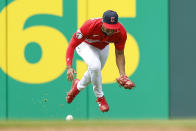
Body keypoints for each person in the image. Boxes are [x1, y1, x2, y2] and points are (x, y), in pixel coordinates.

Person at [66, 10, 135, 112]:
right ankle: (100, 97)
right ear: (102, 22)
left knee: (94, 72)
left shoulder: (120, 32)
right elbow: (72, 44)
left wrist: (123, 74)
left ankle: (77, 86)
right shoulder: (90, 25)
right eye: (108, 27)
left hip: (102, 47)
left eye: (113, 28)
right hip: (85, 45)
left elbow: (119, 53)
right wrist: (69, 67)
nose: (111, 31)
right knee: (95, 67)